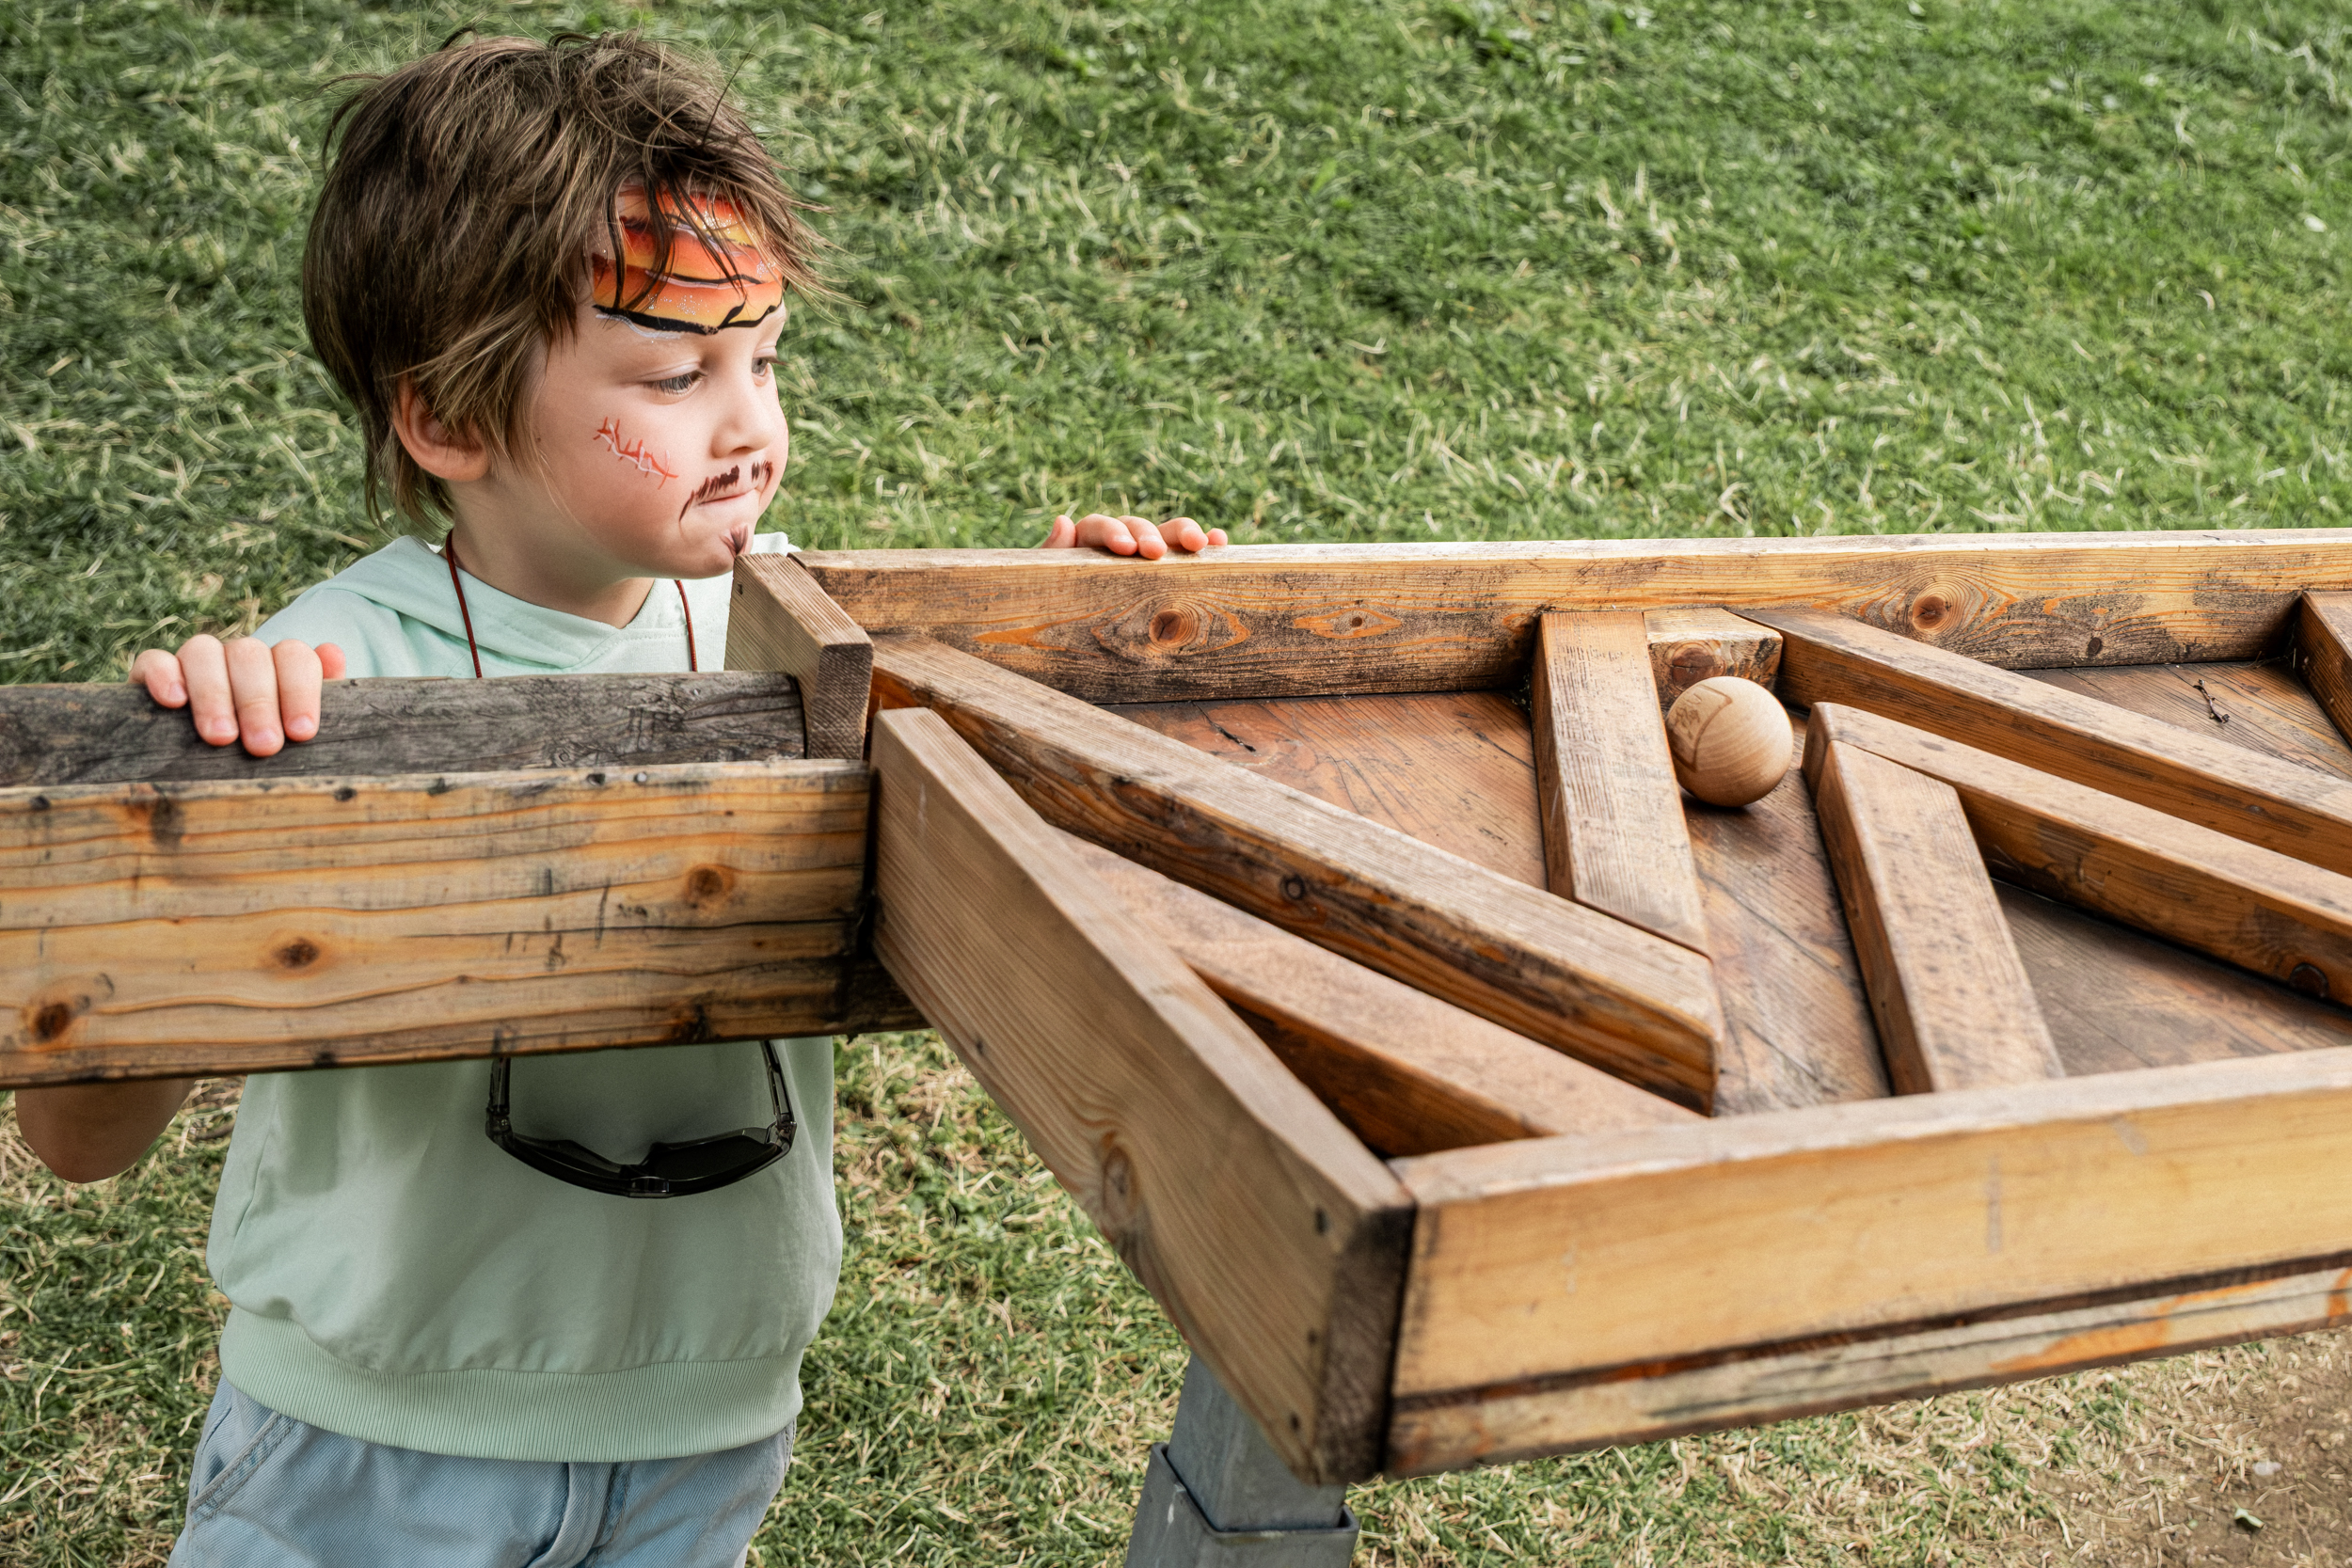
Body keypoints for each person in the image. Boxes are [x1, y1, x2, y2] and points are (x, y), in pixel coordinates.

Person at [11, 31, 1223, 1568]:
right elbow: (77, 1134)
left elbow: (1010, 795)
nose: (750, 424)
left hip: (704, 1436)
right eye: (672, 374)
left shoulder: (799, 636)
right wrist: (187, 801)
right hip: (374, 1447)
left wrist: (1047, 633)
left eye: (763, 358)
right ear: (448, 419)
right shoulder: (324, 672)